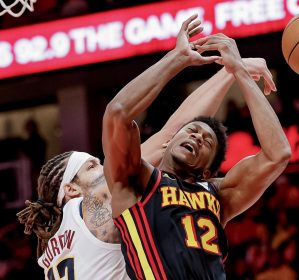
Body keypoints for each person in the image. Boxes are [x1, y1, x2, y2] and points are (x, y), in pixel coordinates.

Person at [16, 25, 275, 280]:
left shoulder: (50, 249)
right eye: (92, 167)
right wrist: (230, 71)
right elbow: (169, 137)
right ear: (71, 189)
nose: (103, 167)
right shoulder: (96, 205)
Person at [103, 14, 291, 279]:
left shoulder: (218, 195)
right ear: (168, 144)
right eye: (191, 130)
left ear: (206, 173)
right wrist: (176, 58)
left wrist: (238, 70)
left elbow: (278, 154)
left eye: (207, 142)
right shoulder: (137, 181)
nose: (197, 137)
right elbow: (118, 113)